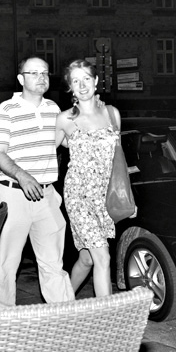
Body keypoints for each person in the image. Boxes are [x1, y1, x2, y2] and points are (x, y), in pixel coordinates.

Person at [0, 56, 75, 307]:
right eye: (33, 73)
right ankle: (3, 316)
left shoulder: (54, 109)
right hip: (14, 193)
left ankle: (65, 316)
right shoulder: (6, 109)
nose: (41, 78)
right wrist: (23, 176)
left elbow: (66, 142)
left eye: (45, 73)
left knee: (53, 262)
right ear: (20, 79)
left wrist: (88, 116)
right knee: (6, 262)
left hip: (46, 195)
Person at [55, 59, 122, 297]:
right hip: (79, 195)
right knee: (103, 257)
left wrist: (126, 196)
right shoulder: (65, 119)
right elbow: (49, 153)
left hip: (104, 196)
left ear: (96, 81)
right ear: (70, 87)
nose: (82, 85)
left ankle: (61, 303)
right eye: (76, 81)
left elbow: (118, 160)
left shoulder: (112, 114)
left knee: (87, 259)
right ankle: (107, 316)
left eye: (86, 78)